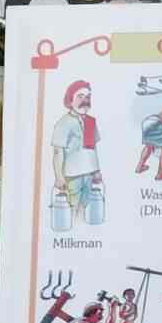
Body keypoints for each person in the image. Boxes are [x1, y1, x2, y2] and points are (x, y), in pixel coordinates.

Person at [51, 80, 103, 223]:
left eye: (87, 97)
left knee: (85, 204)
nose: (85, 101)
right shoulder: (63, 123)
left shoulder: (91, 121)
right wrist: (59, 177)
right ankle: (74, 227)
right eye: (80, 97)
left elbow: (93, 148)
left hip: (89, 173)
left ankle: (80, 225)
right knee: (71, 206)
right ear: (70, 100)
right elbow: (57, 152)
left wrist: (97, 171)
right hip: (72, 174)